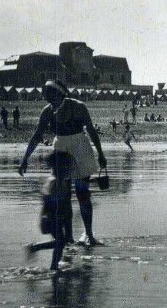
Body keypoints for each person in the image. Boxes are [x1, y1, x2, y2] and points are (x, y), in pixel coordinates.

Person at [18, 80, 108, 246]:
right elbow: (37, 136)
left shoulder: (79, 107)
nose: (46, 97)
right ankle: (68, 237)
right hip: (60, 149)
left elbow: (92, 131)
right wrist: (25, 159)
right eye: (45, 94)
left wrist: (101, 154)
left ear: (59, 93)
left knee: (83, 194)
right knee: (63, 198)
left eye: (49, 94)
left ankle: (89, 235)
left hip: (80, 147)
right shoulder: (47, 111)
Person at [26, 151, 74, 271]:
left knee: (60, 243)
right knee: (60, 243)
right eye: (67, 167)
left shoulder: (59, 181)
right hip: (51, 218)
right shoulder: (54, 182)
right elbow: (50, 202)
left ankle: (53, 265)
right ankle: (47, 261)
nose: (69, 170)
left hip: (51, 218)